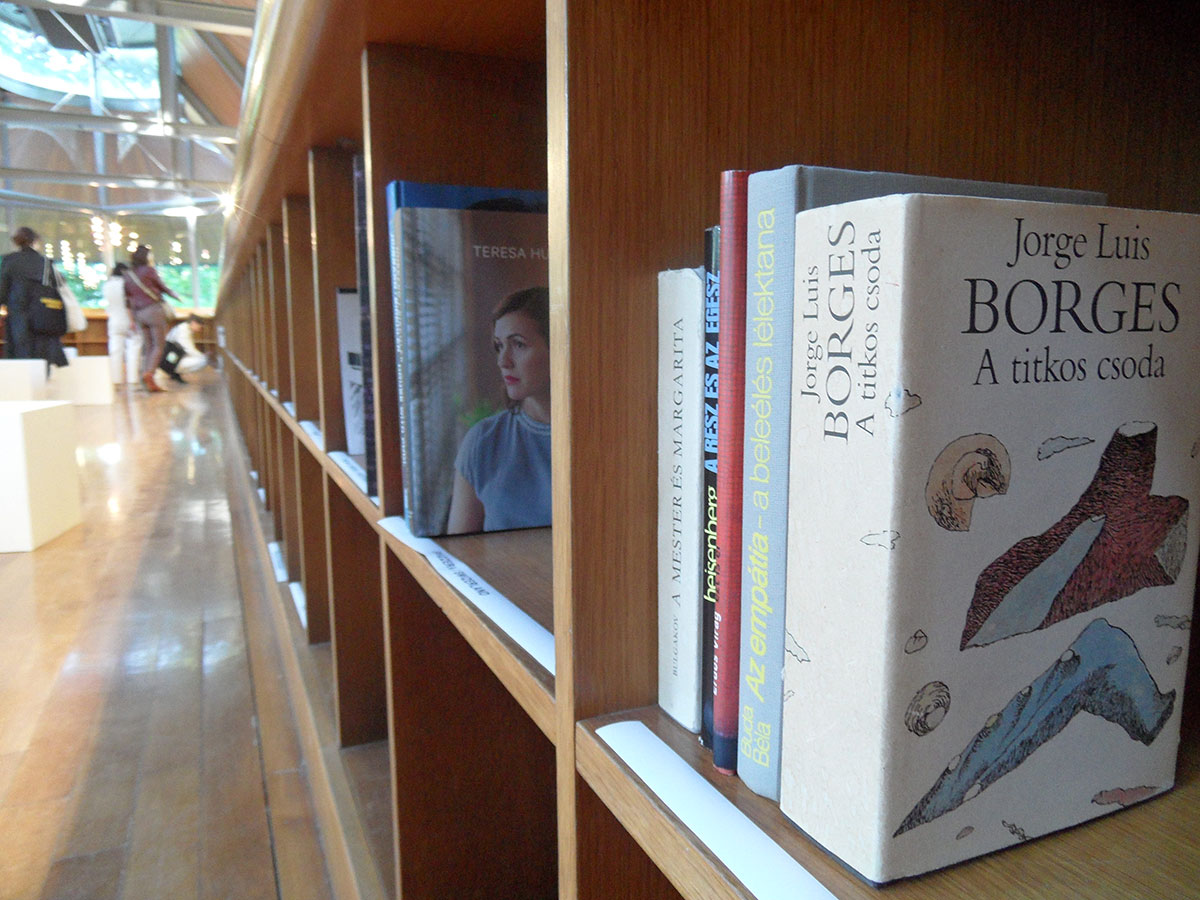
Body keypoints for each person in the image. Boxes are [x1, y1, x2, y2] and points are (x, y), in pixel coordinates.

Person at [446, 286, 552, 534]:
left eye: (518, 344)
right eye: (499, 346)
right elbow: (460, 555)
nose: (503, 361)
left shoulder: (608, 439)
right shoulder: (483, 441)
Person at [0, 226, 68, 368]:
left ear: (16, 242)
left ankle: (23, 386)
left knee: (21, 352)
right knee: (42, 352)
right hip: (43, 314)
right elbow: (59, 285)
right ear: (34, 240)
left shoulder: (10, 260)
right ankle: (42, 384)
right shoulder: (45, 262)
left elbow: (3, 288)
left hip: (18, 313)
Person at [125, 244, 182, 393]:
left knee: (148, 346)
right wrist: (174, 295)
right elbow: (162, 287)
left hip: (139, 314)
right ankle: (149, 375)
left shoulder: (128, 275)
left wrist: (132, 319)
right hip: (153, 311)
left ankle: (145, 379)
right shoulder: (149, 271)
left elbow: (128, 299)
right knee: (159, 345)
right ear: (146, 257)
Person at [103, 262, 141, 384]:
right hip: (128, 320)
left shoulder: (107, 285)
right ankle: (133, 378)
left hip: (113, 321)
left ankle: (116, 379)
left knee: (115, 350)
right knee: (134, 348)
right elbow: (128, 304)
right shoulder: (126, 284)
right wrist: (132, 320)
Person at [160, 314, 210, 382]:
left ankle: (174, 372)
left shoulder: (183, 328)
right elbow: (188, 349)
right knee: (203, 360)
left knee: (200, 357)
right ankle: (174, 371)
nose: (199, 330)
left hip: (170, 357)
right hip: (168, 360)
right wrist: (203, 356)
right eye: (199, 327)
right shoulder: (183, 331)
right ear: (193, 323)